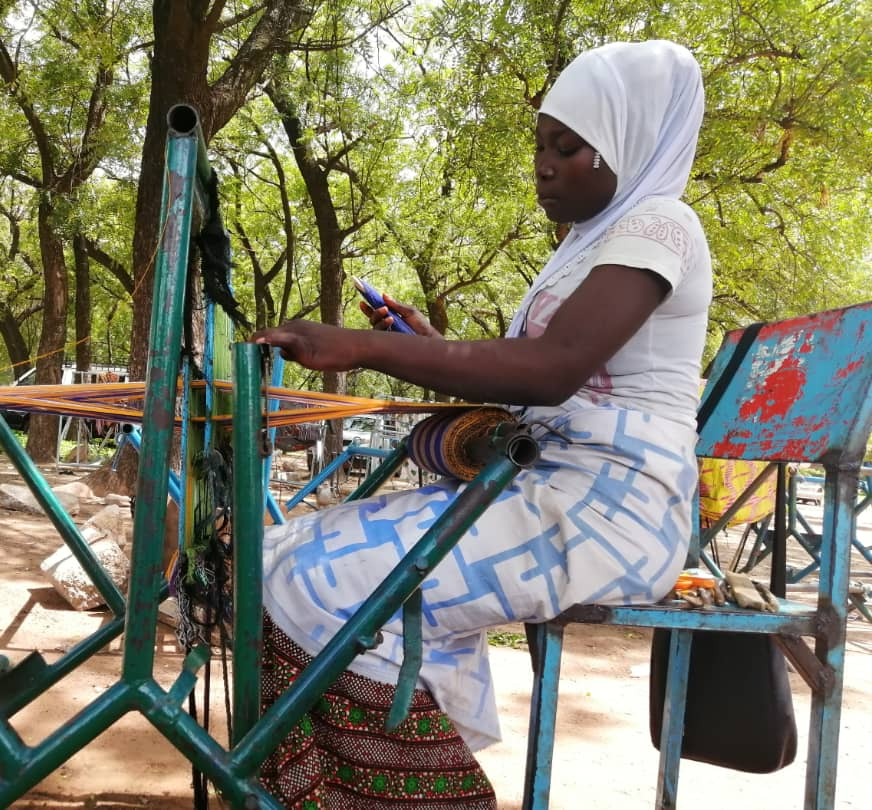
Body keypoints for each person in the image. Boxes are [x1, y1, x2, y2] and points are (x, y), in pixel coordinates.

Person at [252, 39, 711, 809]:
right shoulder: (585, 249)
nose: (543, 164)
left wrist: (362, 348)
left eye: (567, 146)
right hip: (545, 483)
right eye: (539, 145)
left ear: (630, 143)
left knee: (323, 581)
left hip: (611, 511)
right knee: (280, 553)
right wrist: (420, 346)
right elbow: (537, 382)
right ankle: (340, 786)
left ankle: (416, 793)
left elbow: (556, 368)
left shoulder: (661, 226)